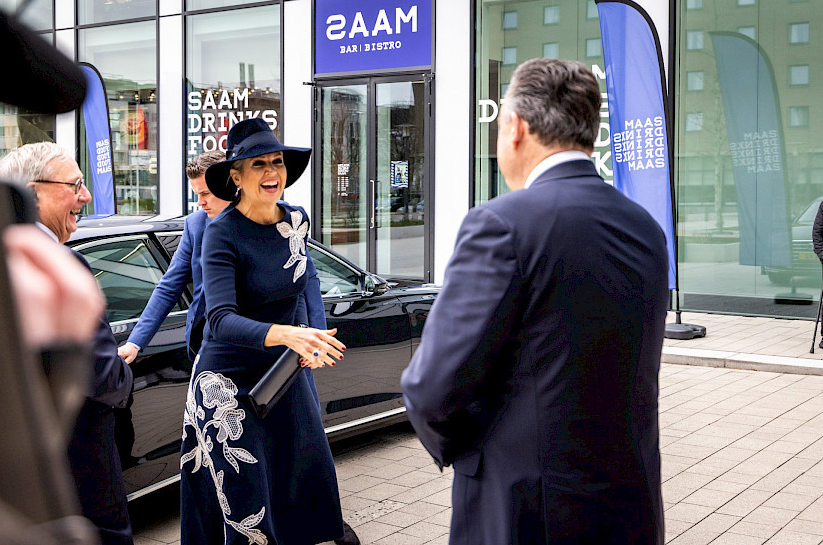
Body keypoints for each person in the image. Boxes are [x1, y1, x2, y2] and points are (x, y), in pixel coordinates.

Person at [400, 58, 669, 544]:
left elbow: (430, 387)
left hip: (526, 512)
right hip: (630, 505)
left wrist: (470, 451)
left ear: (515, 127)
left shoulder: (502, 224)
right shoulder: (645, 228)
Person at [180, 118, 348, 545]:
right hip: (227, 384)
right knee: (248, 503)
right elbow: (219, 319)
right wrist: (289, 335)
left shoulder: (296, 220)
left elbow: (303, 281)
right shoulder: (220, 233)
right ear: (235, 176)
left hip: (282, 376)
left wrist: (312, 334)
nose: (272, 171)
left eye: (277, 161)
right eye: (258, 164)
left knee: (302, 486)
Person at [0, 142, 135, 545]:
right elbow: (102, 376)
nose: (86, 195)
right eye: (74, 184)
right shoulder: (56, 264)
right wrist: (123, 371)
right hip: (78, 474)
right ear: (31, 192)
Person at [117, 150, 229, 364]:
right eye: (197, 194)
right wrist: (135, 342)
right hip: (206, 346)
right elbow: (169, 285)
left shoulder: (259, 224)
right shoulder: (195, 225)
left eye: (205, 194)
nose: (200, 202)